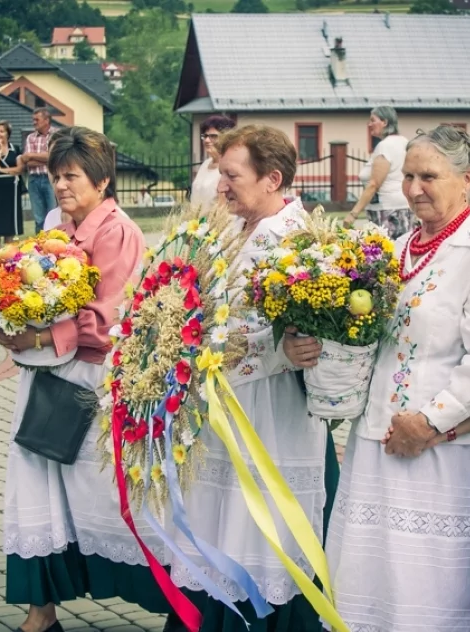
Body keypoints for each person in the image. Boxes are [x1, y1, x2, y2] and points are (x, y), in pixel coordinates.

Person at [286, 126, 470, 631]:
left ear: (468, 179)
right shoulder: (397, 248)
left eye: (429, 176)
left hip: (442, 451)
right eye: (408, 175)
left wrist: (431, 423)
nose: (414, 188)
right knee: (377, 582)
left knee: (429, 585)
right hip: (377, 440)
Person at [162, 124, 339, 632]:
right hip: (228, 407)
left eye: (232, 175)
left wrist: (277, 352)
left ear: (272, 179)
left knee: (262, 528)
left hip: (271, 412)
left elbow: (304, 338)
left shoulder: (297, 240)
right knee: (221, 519)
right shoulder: (238, 230)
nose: (221, 186)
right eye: (221, 174)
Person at [0, 127, 170, 632]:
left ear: (102, 179)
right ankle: (40, 611)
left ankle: (175, 602)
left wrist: (38, 336)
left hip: (91, 379)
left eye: (71, 175)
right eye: (56, 176)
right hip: (51, 373)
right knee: (37, 482)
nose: (61, 185)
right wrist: (10, 311)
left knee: (101, 495)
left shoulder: (116, 230)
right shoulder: (57, 226)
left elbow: (110, 317)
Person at [343, 106, 413, 237]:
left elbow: (374, 184)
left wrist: (353, 214)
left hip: (386, 210)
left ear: (385, 122)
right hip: (403, 206)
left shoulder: (385, 146)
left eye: (372, 120)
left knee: (384, 253)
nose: (369, 124)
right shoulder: (405, 142)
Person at [0, 120, 24, 252]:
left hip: (10, 190)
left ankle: (8, 258)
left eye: (2, 131)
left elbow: (19, 169)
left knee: (9, 228)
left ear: (8, 134)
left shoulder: (16, 149)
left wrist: (3, 170)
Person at [190, 115, 236, 209]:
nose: (207, 140)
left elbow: (223, 208)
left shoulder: (230, 167)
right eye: (205, 136)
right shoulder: (205, 164)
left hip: (218, 222)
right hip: (198, 222)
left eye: (213, 136)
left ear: (226, 138)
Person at [21, 108, 55, 233]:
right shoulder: (30, 137)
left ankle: (55, 245)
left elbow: (54, 157)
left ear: (46, 120)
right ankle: (40, 247)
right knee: (39, 218)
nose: (34, 122)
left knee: (53, 215)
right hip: (34, 180)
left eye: (37, 119)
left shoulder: (56, 135)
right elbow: (27, 161)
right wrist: (45, 157)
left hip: (50, 179)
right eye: (33, 120)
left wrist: (32, 155)